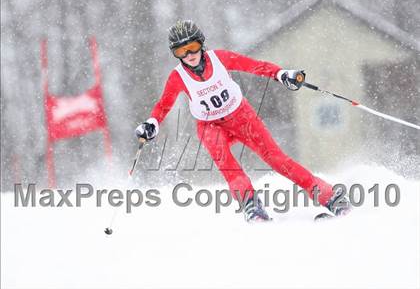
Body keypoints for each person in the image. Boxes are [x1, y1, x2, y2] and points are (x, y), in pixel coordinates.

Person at [135, 20, 351, 222]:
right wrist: (152, 123)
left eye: (192, 46)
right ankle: (250, 205)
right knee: (227, 164)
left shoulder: (219, 59)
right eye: (181, 51)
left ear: (201, 44)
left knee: (277, 160)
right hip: (210, 125)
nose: (189, 54)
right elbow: (164, 105)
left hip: (241, 117)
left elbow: (253, 65)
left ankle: (330, 197)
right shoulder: (178, 76)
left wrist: (281, 74)